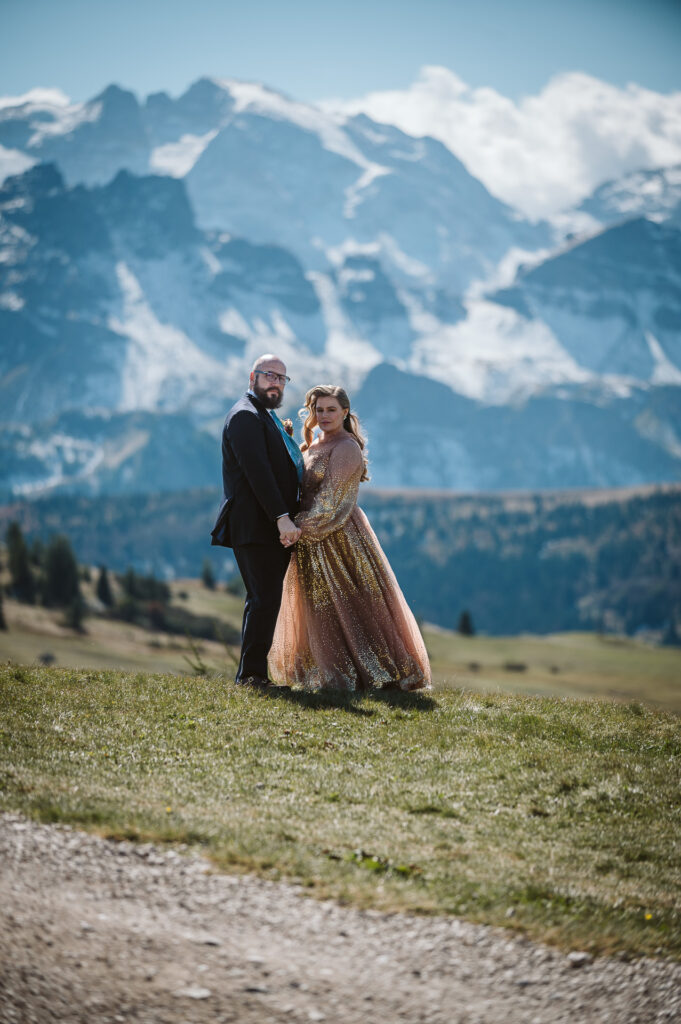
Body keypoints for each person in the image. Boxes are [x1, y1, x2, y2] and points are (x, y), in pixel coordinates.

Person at [269, 385, 431, 692]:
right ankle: (325, 672)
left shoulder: (346, 448)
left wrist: (295, 529)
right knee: (319, 609)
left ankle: (370, 672)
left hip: (338, 535)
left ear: (345, 412)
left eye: (331, 409)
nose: (324, 415)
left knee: (349, 606)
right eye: (319, 410)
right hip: (310, 536)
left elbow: (332, 503)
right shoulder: (312, 444)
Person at [211, 354, 303, 687]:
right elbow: (258, 473)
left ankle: (253, 674)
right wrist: (282, 518)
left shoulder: (262, 415)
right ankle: (250, 675)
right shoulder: (245, 416)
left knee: (266, 598)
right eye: (269, 375)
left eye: (282, 378)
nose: (276, 383)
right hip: (255, 525)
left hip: (267, 525)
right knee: (263, 598)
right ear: (253, 377)